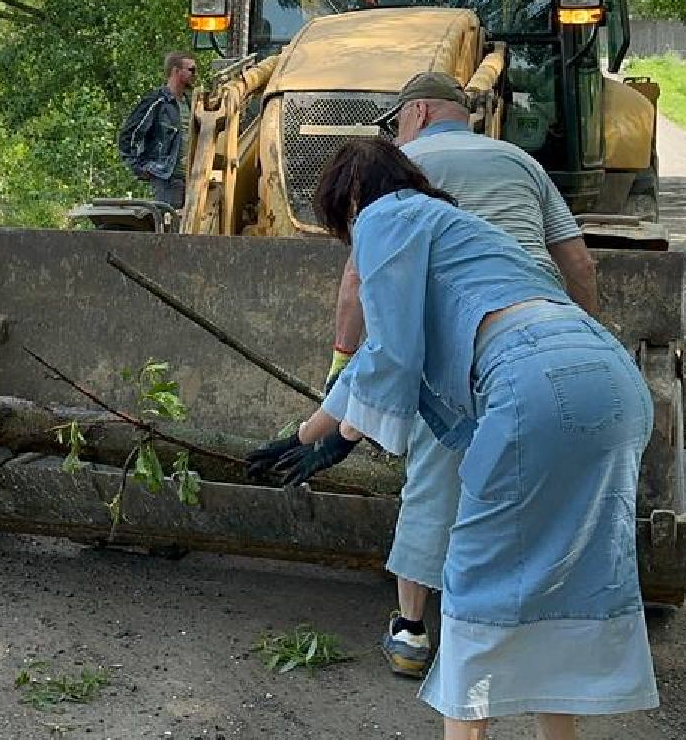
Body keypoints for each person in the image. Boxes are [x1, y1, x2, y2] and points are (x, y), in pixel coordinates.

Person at [255, 137, 656, 738]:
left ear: (350, 197)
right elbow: (384, 356)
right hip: (611, 376)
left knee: (473, 581)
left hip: (530, 381)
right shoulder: (459, 227)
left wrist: (340, 434)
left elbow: (392, 351)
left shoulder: (385, 216)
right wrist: (317, 428)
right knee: (571, 572)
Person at [341, 72, 598, 679]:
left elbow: (358, 280)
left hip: (458, 345)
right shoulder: (521, 161)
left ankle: (411, 631)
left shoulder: (399, 168)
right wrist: (587, 335)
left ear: (421, 113)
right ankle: (530, 629)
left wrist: (342, 364)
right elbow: (579, 263)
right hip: (548, 336)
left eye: (398, 120)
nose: (396, 133)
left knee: (433, 479)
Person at [116, 52, 196, 209]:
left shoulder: (191, 103)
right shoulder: (156, 102)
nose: (195, 74)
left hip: (190, 179)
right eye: (191, 69)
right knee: (169, 226)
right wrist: (140, 167)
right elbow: (128, 136)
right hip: (166, 179)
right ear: (176, 71)